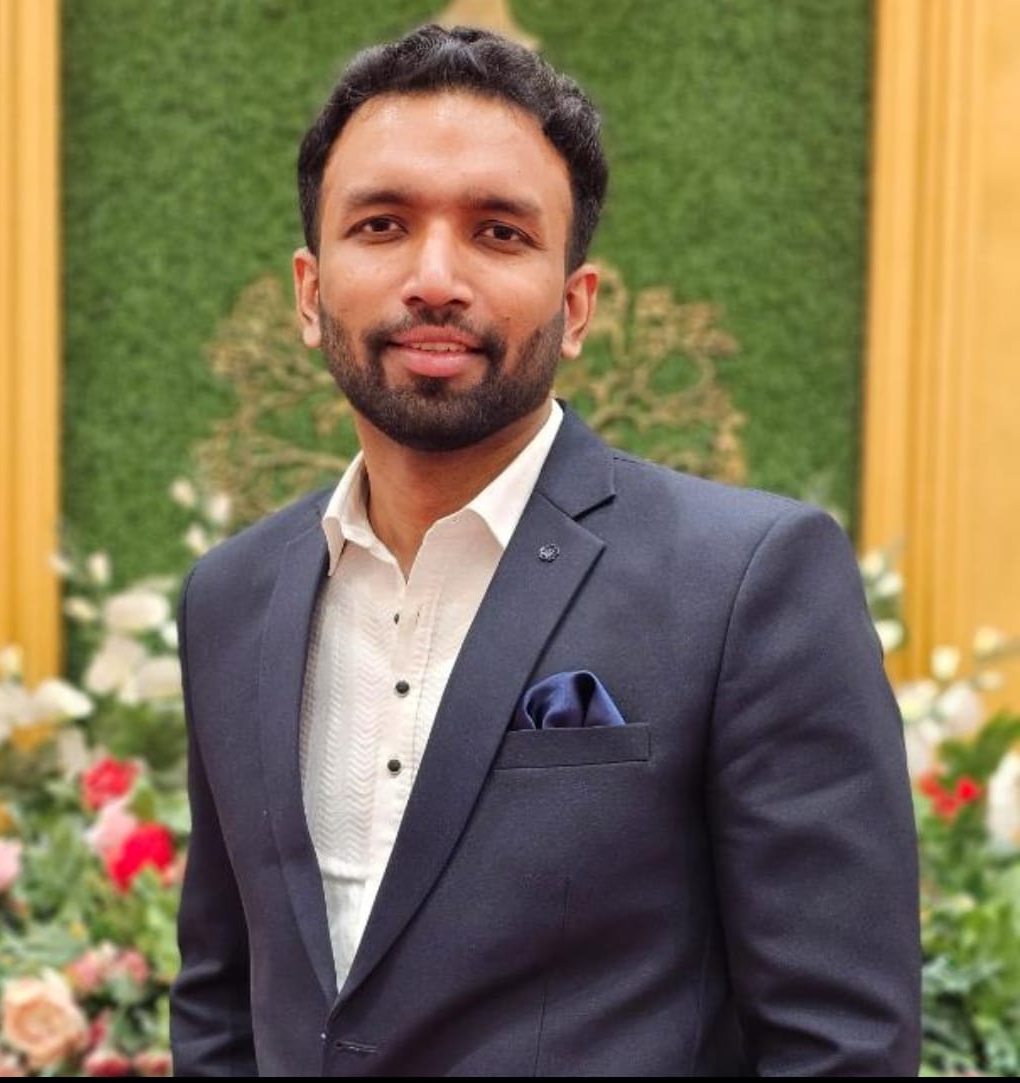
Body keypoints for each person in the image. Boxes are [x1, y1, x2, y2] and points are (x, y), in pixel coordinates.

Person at [170, 24, 920, 1076]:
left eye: (499, 232)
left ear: (575, 307)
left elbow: (841, 1044)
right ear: (308, 291)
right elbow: (223, 1000)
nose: (435, 277)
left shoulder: (748, 581)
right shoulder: (231, 597)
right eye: (382, 225)